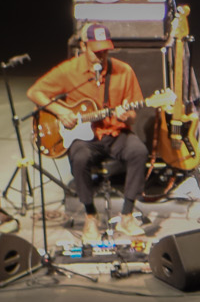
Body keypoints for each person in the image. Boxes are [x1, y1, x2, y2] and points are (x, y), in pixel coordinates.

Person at [27, 24, 152, 243]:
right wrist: (61, 111)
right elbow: (34, 92)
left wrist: (126, 116)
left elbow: (133, 113)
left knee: (139, 151)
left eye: (105, 50)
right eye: (96, 51)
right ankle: (90, 216)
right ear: (84, 46)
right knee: (80, 156)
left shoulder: (124, 71)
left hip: (115, 133)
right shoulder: (70, 70)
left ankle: (127, 215)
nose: (102, 55)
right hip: (84, 137)